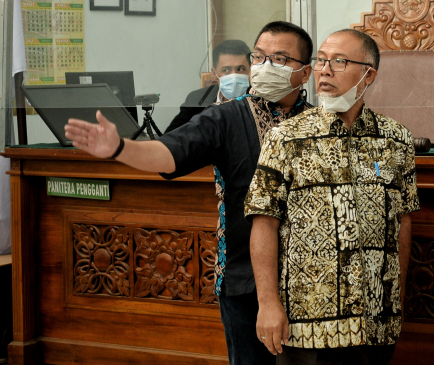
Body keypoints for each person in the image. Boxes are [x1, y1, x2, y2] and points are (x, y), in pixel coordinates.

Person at [63, 21, 315, 365]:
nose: (265, 66)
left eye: (280, 59)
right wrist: (121, 148)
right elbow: (169, 153)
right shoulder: (226, 117)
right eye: (259, 57)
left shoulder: (323, 122)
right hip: (246, 282)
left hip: (316, 280)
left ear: (306, 72)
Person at [245, 28, 419, 365]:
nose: (325, 70)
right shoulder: (286, 137)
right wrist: (267, 302)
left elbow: (402, 220)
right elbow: (263, 223)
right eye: (322, 61)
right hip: (306, 323)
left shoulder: (396, 140)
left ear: (368, 75)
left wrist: (395, 298)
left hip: (374, 321)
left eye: (339, 62)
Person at [165, 39, 252, 133]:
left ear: (251, 70)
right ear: (214, 73)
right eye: (226, 70)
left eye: (240, 69)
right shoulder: (197, 99)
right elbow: (171, 137)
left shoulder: (261, 99)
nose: (234, 76)